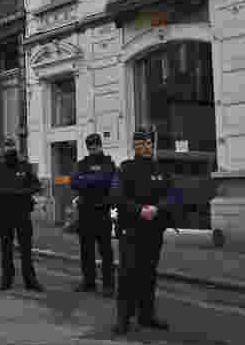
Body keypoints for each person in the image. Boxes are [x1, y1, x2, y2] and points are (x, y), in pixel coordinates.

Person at [109, 129, 181, 334]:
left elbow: (173, 195)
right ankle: (124, 318)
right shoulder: (125, 169)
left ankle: (147, 316)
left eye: (149, 143)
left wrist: (158, 208)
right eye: (141, 143)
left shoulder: (161, 170)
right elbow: (117, 196)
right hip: (131, 229)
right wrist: (139, 210)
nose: (146, 147)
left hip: (153, 229)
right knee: (127, 274)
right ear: (134, 146)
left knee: (148, 274)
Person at [0, 137, 44, 292]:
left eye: (12, 146)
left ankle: (30, 280)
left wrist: (22, 192)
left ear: (15, 148)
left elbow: (36, 185)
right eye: (7, 146)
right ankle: (6, 280)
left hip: (22, 213)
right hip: (4, 214)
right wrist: (11, 193)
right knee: (6, 250)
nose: (10, 149)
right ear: (3, 149)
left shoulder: (24, 167)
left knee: (26, 249)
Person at [70, 133, 116, 296]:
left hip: (102, 212)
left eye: (95, 145)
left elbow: (108, 180)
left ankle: (109, 285)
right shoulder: (82, 163)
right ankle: (89, 282)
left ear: (100, 145)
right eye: (90, 146)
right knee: (86, 251)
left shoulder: (108, 163)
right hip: (85, 213)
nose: (93, 148)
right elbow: (74, 182)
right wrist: (96, 181)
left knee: (106, 252)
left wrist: (87, 181)